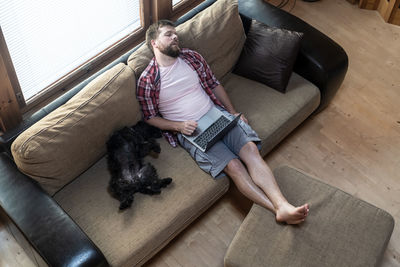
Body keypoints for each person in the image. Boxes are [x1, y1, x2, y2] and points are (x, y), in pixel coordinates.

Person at [137, 20, 309, 224]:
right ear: (154, 43)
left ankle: (283, 204)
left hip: (216, 114)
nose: (175, 37)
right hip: (191, 130)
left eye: (176, 34)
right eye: (168, 34)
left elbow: (213, 84)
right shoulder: (147, 80)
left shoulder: (192, 57)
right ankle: (276, 210)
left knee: (251, 150)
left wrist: (233, 111)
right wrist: (178, 127)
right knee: (235, 167)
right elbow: (150, 117)